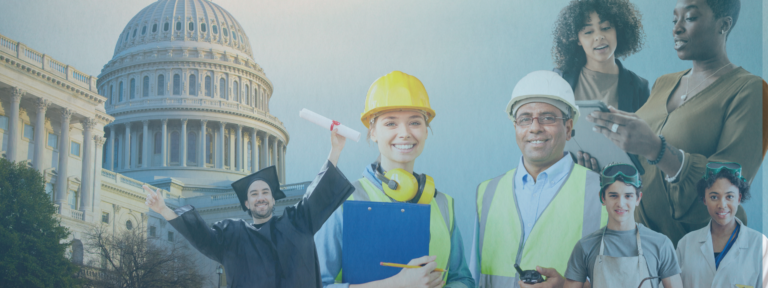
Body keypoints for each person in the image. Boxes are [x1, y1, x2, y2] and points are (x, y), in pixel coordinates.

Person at [585, 0, 763, 246]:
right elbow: (644, 173)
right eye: (674, 20)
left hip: (707, 255)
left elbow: (727, 189)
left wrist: (656, 149)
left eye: (689, 18)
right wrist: (606, 163)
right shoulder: (664, 83)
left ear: (723, 25)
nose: (676, 29)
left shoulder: (751, 91)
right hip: (645, 251)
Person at [314, 71, 474, 288]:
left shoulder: (444, 205)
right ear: (373, 132)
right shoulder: (343, 201)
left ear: (426, 131)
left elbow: (462, 279)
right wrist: (398, 284)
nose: (405, 133)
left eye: (415, 122)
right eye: (391, 123)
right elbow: (316, 284)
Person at [143, 129, 355, 288]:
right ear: (246, 203)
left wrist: (335, 150)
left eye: (265, 192)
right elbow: (201, 237)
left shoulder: (296, 223)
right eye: (254, 194)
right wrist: (163, 210)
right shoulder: (233, 236)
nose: (260, 198)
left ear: (273, 200)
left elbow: (316, 195)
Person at [471, 70, 608, 288]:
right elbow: (475, 276)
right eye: (525, 119)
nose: (535, 127)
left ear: (569, 128)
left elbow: (627, 279)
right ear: (516, 127)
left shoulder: (605, 193)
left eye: (548, 118)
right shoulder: (487, 192)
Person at [551, 0, 650, 170]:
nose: (599, 36)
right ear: (577, 39)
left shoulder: (638, 87)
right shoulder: (560, 80)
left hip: (621, 184)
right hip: (569, 178)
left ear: (618, 30)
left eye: (606, 28)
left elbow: (645, 146)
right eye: (588, 31)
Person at [564, 163, 682, 288]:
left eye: (628, 196)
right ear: (602, 198)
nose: (621, 203)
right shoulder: (585, 247)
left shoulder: (661, 244)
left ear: (638, 199)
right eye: (613, 196)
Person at [676, 162, 768, 288]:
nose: (722, 205)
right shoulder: (686, 244)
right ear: (704, 199)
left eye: (729, 196)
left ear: (739, 198)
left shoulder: (760, 245)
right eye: (714, 197)